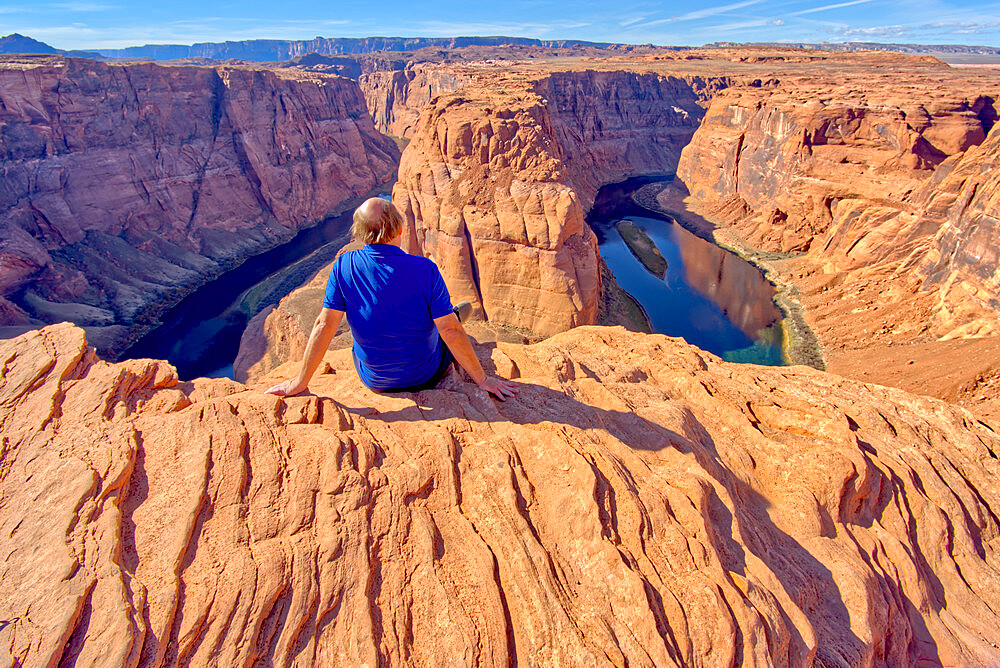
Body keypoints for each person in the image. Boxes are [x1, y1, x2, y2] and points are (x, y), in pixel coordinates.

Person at [266, 198, 519, 400]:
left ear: (361, 234)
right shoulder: (425, 269)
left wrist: (300, 382)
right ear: (399, 228)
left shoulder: (343, 265)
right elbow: (451, 331)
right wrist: (483, 380)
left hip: (375, 380)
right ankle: (452, 313)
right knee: (451, 319)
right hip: (425, 375)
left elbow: (324, 325)